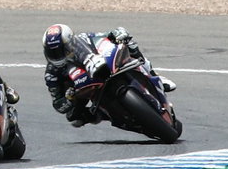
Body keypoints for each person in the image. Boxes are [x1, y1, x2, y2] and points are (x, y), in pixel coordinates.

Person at [42, 23, 176, 127]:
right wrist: (70, 98)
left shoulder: (83, 39)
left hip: (102, 68)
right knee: (73, 117)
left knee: (129, 44)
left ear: (70, 42)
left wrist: (117, 34)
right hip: (83, 90)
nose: (57, 55)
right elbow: (58, 103)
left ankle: (153, 74)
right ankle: (101, 115)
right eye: (52, 52)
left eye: (60, 50)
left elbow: (106, 36)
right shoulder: (51, 74)